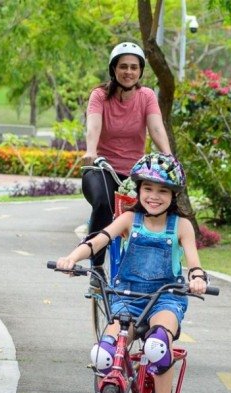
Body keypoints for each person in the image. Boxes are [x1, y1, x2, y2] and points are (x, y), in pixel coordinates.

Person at [56, 153, 208, 393]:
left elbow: (194, 262)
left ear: (173, 195)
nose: (154, 196)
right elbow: (98, 239)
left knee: (157, 347)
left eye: (163, 190)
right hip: (127, 297)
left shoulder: (181, 226)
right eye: (147, 189)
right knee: (103, 354)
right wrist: (71, 258)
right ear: (138, 190)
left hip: (166, 298)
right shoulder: (128, 219)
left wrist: (197, 278)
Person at [83, 41, 173, 287]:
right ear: (113, 69)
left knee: (151, 211)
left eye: (134, 67)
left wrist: (168, 155)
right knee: (103, 203)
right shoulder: (99, 95)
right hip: (101, 168)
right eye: (123, 66)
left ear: (140, 71)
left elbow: (155, 126)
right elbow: (94, 125)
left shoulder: (146, 96)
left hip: (135, 173)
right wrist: (91, 151)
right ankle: (97, 266)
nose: (128, 72)